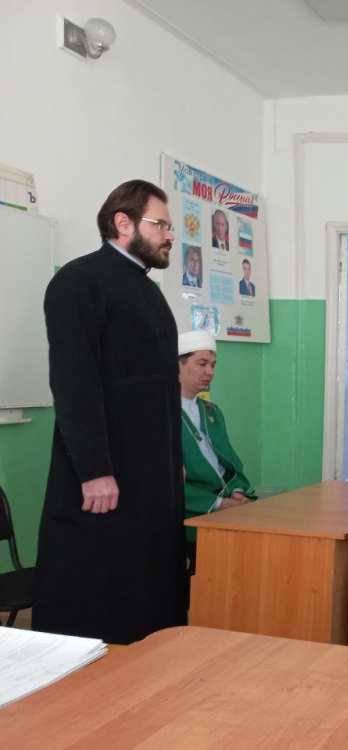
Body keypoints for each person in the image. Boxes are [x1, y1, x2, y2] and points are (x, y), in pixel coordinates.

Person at [33, 179, 186, 644]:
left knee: (148, 592)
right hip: (105, 475)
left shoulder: (147, 289)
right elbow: (74, 382)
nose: (170, 236)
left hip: (151, 475)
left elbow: (158, 391)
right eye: (161, 225)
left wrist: (172, 459)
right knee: (97, 591)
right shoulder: (79, 281)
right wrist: (95, 469)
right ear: (123, 223)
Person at [178, 330, 255, 548]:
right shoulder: (158, 414)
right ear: (177, 365)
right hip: (194, 511)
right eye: (202, 364)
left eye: (213, 365)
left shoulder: (211, 411)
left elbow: (231, 462)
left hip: (229, 503)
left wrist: (237, 492)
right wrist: (220, 504)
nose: (210, 372)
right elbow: (164, 484)